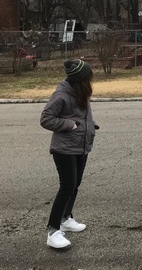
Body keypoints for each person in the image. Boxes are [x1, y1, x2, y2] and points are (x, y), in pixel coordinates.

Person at [39, 59, 98, 249]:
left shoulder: (81, 92)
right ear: (80, 80)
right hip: (64, 148)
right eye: (88, 78)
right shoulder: (62, 94)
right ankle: (53, 231)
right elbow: (46, 119)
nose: (91, 81)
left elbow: (80, 116)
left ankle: (66, 218)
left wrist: (89, 126)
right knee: (67, 186)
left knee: (75, 184)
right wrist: (69, 125)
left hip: (81, 145)